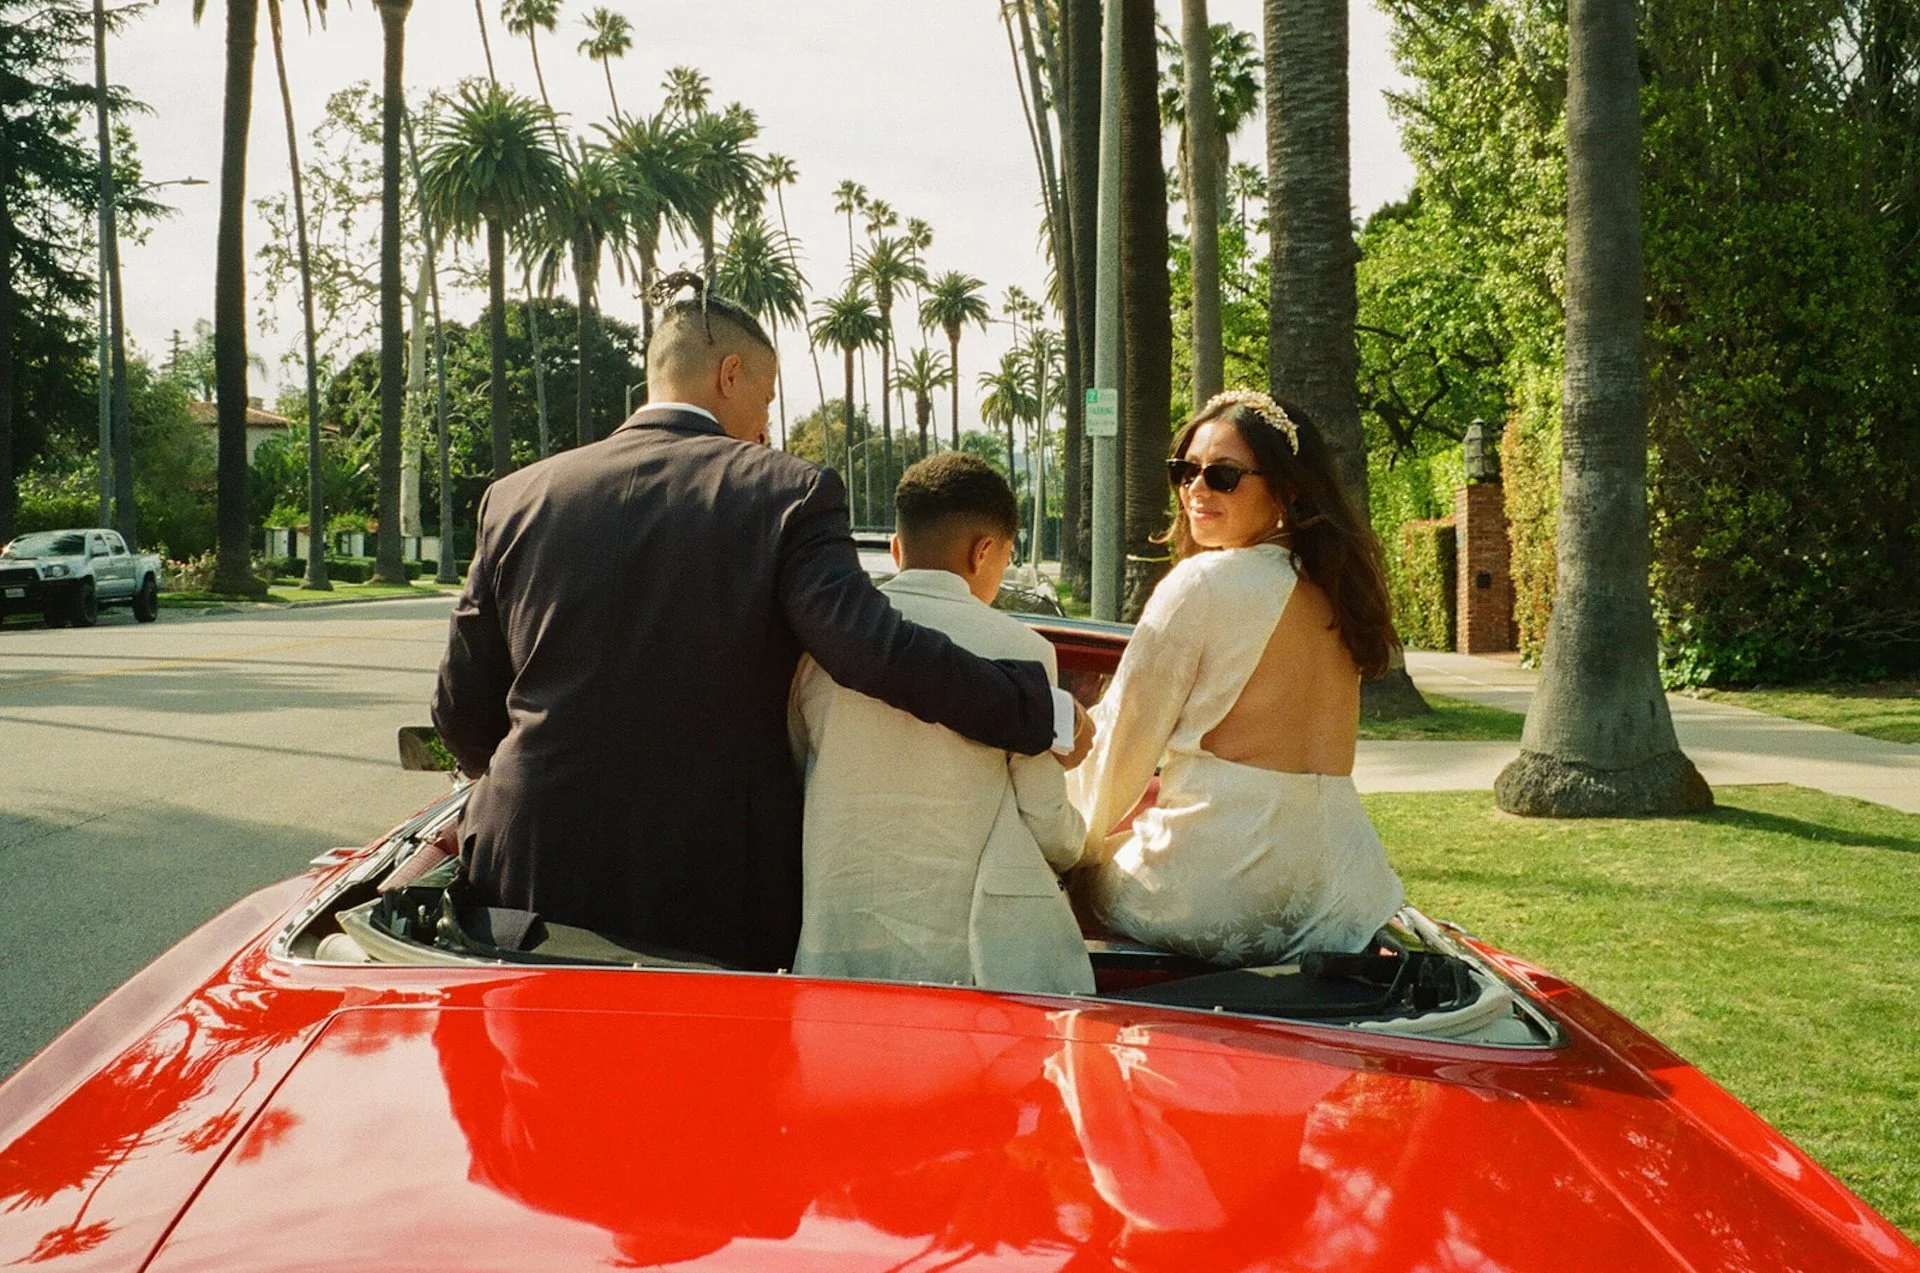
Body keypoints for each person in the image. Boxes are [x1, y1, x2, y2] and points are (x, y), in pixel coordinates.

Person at [430, 280, 1078, 972]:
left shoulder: (518, 497)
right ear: (729, 375)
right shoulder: (787, 492)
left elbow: (459, 707)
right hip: (711, 890)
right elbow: (872, 651)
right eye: (766, 401)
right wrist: (1037, 708)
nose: (766, 428)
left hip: (527, 875)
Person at [1067, 389, 1405, 966]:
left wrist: (1071, 840)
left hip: (1220, 887)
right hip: (1344, 894)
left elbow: (1122, 745)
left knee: (1069, 876)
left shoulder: (1202, 583)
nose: (1196, 489)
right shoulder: (1335, 591)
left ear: (1289, 487)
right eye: (1185, 470)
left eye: (1223, 475)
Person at [788, 454, 1092, 994]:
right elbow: (1049, 825)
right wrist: (1088, 844)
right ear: (984, 552)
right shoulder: (1022, 651)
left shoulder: (822, 653)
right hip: (968, 964)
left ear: (898, 550)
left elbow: (799, 769)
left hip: (835, 949)